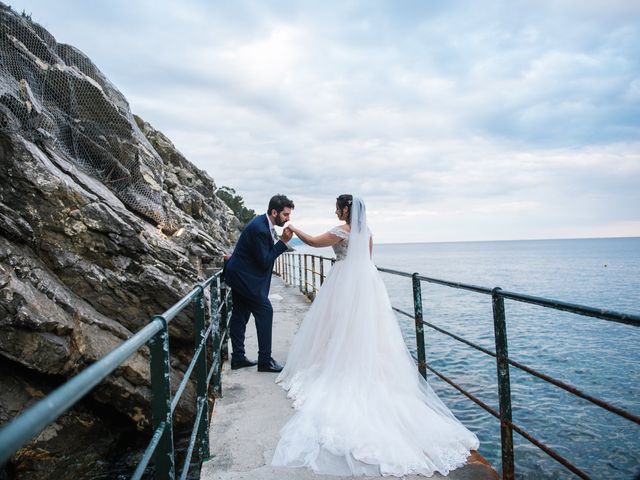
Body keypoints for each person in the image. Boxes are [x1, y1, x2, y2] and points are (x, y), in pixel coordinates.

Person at [271, 195, 479, 477]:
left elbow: (314, 243)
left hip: (344, 281)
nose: (335, 211)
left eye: (337, 207)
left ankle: (339, 366)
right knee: (362, 330)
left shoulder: (343, 231)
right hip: (366, 283)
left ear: (346, 210)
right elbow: (366, 259)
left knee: (337, 327)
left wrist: (294, 230)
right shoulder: (366, 232)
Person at [223, 194, 294, 373]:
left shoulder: (264, 224)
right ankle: (265, 361)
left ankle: (238, 358)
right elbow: (265, 260)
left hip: (241, 274)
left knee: (240, 314)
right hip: (243, 277)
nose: (288, 219)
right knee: (265, 311)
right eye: (285, 215)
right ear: (274, 212)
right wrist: (283, 242)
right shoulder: (260, 228)